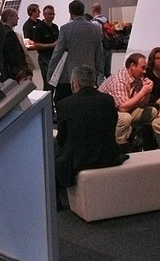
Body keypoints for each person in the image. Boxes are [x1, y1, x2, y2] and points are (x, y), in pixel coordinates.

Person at [53, 65, 126, 199]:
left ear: (74, 83)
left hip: (80, 160)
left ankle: (58, 202)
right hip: (108, 155)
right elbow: (112, 124)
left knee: (54, 154)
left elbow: (62, 138)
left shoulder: (65, 104)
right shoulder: (108, 100)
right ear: (94, 82)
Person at [47, 0, 104, 99]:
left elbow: (57, 53)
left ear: (70, 12)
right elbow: (99, 55)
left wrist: (50, 74)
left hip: (68, 76)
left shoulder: (65, 29)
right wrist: (100, 75)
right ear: (83, 11)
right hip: (89, 75)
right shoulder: (95, 29)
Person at [99, 52, 155, 146]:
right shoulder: (119, 80)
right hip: (106, 113)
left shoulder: (138, 78)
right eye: (142, 68)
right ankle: (119, 146)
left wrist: (148, 91)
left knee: (152, 111)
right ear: (132, 66)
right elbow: (122, 108)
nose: (144, 71)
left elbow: (142, 104)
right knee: (125, 118)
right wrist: (142, 92)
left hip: (125, 109)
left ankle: (146, 144)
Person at [27, 4, 59, 85]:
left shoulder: (55, 27)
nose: (52, 16)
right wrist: (51, 45)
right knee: (48, 81)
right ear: (44, 15)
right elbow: (36, 44)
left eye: (53, 14)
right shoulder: (39, 28)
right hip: (44, 57)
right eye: (49, 14)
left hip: (55, 56)